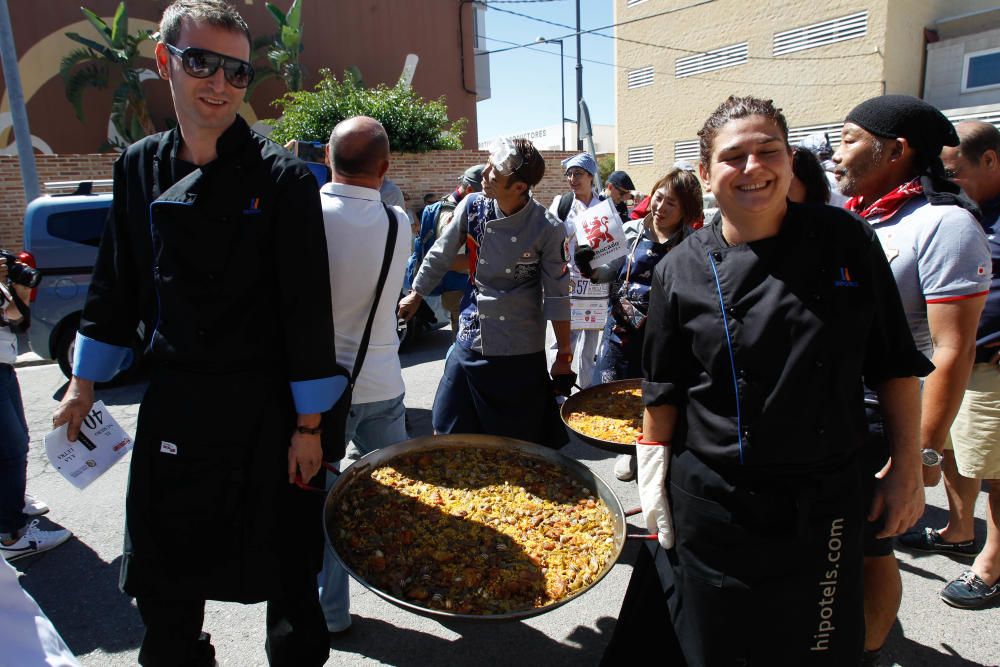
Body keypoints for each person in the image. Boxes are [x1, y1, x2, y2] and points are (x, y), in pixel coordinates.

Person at [51, 2, 343, 665]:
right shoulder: (137, 168)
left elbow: (306, 312)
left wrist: (309, 427)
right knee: (163, 587)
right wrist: (83, 381)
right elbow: (115, 284)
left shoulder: (284, 179)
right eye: (201, 62)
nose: (220, 83)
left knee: (289, 587)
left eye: (236, 71)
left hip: (268, 412)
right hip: (177, 400)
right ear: (165, 61)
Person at [639, 95, 930, 665]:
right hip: (717, 500)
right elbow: (663, 390)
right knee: (722, 646)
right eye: (733, 157)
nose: (753, 168)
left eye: (768, 151)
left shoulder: (847, 240)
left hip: (827, 497)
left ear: (791, 161)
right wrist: (652, 486)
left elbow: (894, 364)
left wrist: (908, 471)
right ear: (705, 172)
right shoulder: (678, 269)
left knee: (821, 646)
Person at [831, 96, 991, 660]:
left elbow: (953, 349)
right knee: (835, 549)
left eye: (849, 139)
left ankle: (867, 653)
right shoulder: (856, 215)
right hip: (832, 410)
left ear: (896, 151)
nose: (836, 153)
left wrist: (915, 456)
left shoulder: (944, 224)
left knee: (874, 552)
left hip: (884, 416)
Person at [398, 137, 572, 447]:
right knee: (448, 425)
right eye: (488, 165)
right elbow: (440, 252)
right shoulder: (472, 205)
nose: (485, 174)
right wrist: (416, 292)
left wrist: (564, 354)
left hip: (519, 346)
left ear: (519, 187)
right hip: (472, 330)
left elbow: (557, 296)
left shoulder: (547, 227)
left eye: (494, 171)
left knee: (518, 439)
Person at [315, 116, 412, 635]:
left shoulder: (305, 215)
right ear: (385, 167)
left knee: (322, 507)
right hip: (383, 383)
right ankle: (412, 584)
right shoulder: (399, 224)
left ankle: (331, 613)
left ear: (328, 159)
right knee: (392, 494)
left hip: (317, 395)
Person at [905, 119, 1000, 609]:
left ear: (990, 160)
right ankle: (960, 531)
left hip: (989, 366)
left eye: (954, 171)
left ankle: (993, 564)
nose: (947, 182)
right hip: (949, 361)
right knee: (955, 453)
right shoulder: (963, 213)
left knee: (996, 469)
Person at [577, 168, 703, 482]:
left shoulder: (692, 244)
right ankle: (628, 448)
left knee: (655, 392)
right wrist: (590, 268)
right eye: (658, 197)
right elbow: (609, 272)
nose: (660, 207)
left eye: (671, 204)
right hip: (620, 328)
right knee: (618, 392)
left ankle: (652, 447)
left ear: (685, 211)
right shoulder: (630, 231)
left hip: (663, 333)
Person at [0, 256, 71, 562]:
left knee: (18, 440)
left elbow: (17, 317)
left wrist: (15, 288)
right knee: (11, 446)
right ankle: (12, 532)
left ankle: (12, 500)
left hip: (4, 363)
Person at [404, 165, 483, 337]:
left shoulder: (447, 204)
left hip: (459, 290)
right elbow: (451, 260)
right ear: (469, 190)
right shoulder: (452, 215)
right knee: (465, 346)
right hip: (460, 292)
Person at [548, 152, 605, 389]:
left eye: (578, 173)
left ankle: (587, 392)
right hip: (568, 282)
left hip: (596, 284)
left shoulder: (603, 206)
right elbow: (548, 237)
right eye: (569, 174)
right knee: (563, 340)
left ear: (591, 177)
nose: (573, 178)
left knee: (590, 342)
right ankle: (559, 389)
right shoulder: (561, 204)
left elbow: (614, 247)